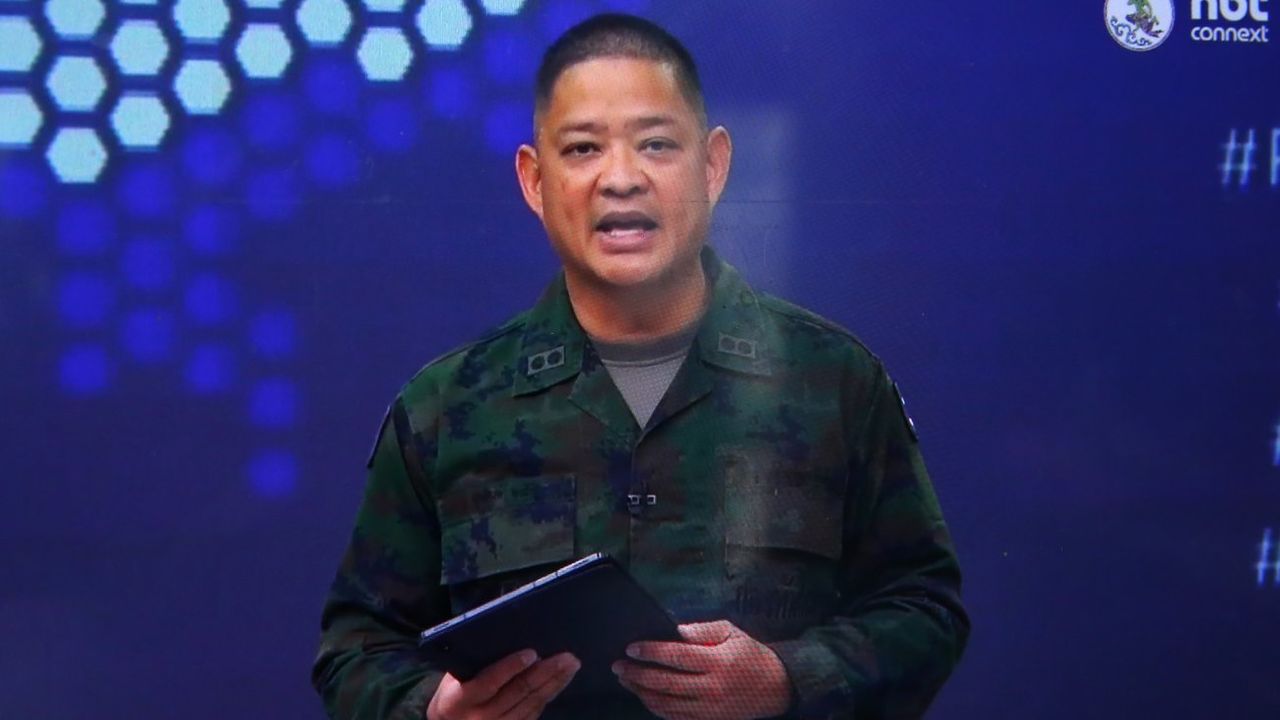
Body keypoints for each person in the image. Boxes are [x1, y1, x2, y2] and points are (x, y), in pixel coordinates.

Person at [312, 13, 968, 720]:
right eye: (583, 148)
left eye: (656, 144)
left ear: (712, 166)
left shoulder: (834, 382)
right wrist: (432, 710)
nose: (621, 179)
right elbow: (356, 650)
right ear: (534, 180)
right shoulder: (446, 406)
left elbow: (923, 610)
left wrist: (784, 678)